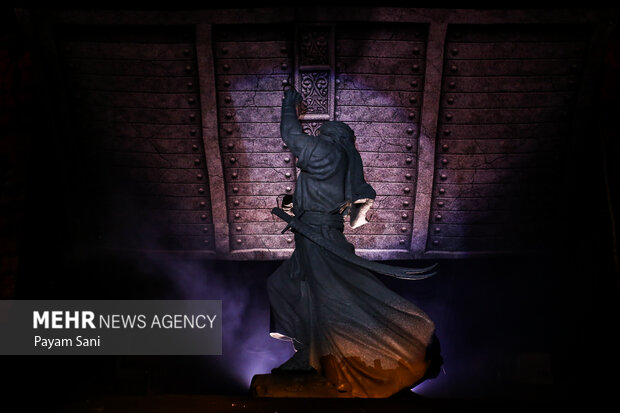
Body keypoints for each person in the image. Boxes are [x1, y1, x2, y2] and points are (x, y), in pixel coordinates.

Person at [266, 88, 441, 398]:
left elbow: (291, 135)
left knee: (330, 299)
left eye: (322, 134)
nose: (317, 138)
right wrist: (298, 205)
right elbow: (344, 207)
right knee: (285, 286)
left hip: (319, 238)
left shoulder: (328, 152)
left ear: (330, 136)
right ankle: (308, 352)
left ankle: (332, 357)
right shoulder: (343, 160)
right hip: (314, 236)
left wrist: (289, 105)